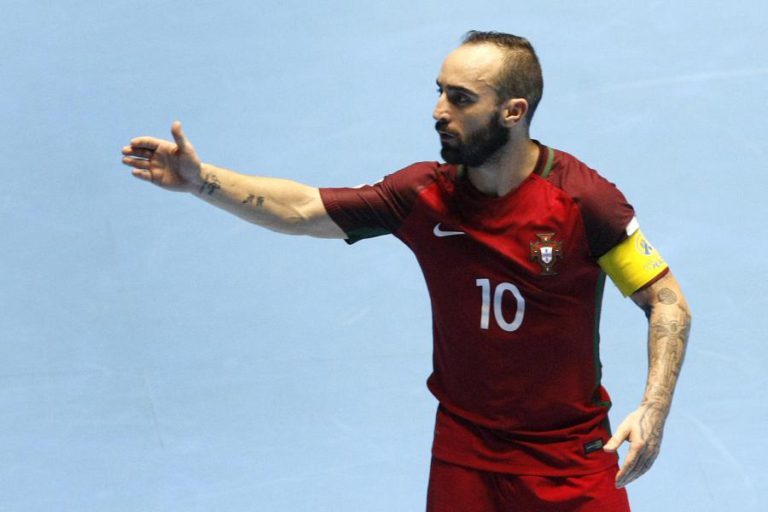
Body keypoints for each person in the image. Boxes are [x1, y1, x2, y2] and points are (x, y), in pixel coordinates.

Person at [121, 31, 691, 512]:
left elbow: (665, 301)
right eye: (439, 92)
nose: (439, 111)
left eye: (461, 99)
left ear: (513, 112)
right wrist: (203, 181)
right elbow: (301, 208)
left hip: (570, 456)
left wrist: (653, 409)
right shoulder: (421, 194)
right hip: (466, 450)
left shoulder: (582, 200)